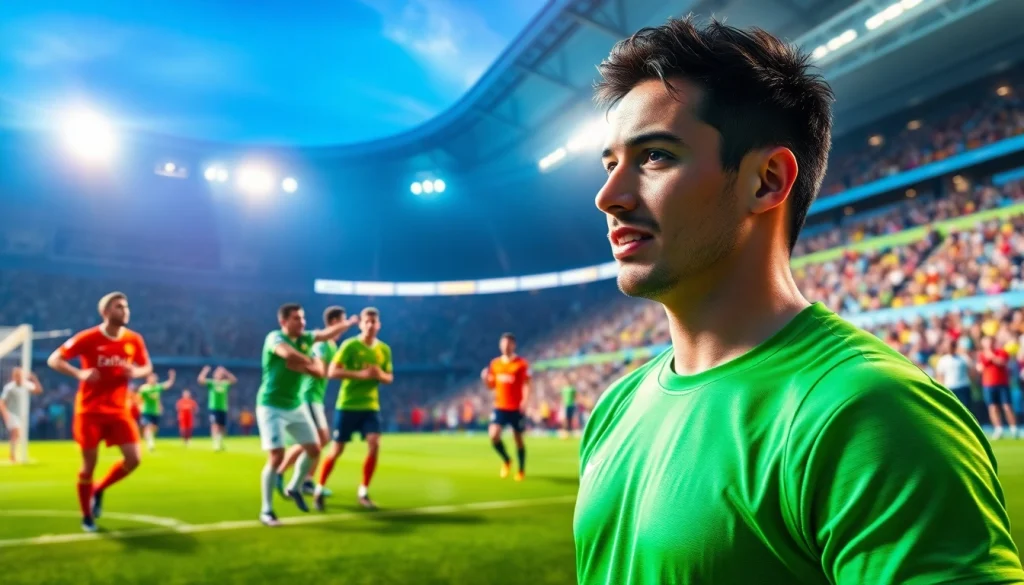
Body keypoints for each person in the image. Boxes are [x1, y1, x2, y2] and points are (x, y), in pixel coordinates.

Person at [573, 17, 1024, 584]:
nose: (607, 196)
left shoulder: (870, 412)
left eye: (656, 156)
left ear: (766, 180)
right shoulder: (616, 406)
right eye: (611, 163)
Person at [47, 292, 152, 533]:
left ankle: (99, 489)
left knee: (134, 459)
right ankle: (86, 516)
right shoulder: (89, 337)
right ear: (105, 312)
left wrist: (135, 373)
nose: (125, 311)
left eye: (126, 307)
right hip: (90, 411)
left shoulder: (134, 339)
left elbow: (147, 366)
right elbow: (55, 359)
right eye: (119, 307)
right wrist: (79, 374)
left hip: (119, 410)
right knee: (88, 466)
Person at [256, 302, 353, 527]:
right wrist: (309, 360)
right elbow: (286, 353)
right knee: (276, 456)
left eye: (303, 318)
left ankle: (294, 486)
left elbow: (322, 347)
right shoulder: (274, 338)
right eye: (296, 318)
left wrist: (347, 325)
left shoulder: (307, 338)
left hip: (296, 405)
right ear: (283, 322)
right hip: (271, 406)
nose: (302, 322)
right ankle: (267, 510)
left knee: (314, 448)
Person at [316, 307, 393, 512]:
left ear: (378, 325)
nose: (369, 325)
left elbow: (388, 377)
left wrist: (379, 375)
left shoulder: (384, 349)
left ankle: (363, 491)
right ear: (360, 324)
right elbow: (332, 371)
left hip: (370, 406)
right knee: (337, 449)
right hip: (347, 405)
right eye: (366, 322)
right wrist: (362, 374)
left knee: (374, 444)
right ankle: (319, 487)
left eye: (373, 322)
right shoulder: (350, 346)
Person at [279, 306, 356, 495]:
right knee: (318, 440)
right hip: (310, 396)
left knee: (317, 441)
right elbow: (321, 369)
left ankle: (304, 480)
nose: (345, 326)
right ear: (333, 323)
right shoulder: (322, 345)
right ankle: (282, 473)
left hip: (316, 398)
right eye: (342, 322)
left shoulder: (331, 346)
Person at [481, 333, 530, 481]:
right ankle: (507, 460)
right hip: (500, 406)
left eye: (508, 344)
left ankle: (521, 470)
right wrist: (485, 380)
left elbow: (527, 384)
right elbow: (491, 386)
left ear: (513, 345)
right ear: (500, 345)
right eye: (503, 344)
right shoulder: (495, 364)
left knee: (518, 439)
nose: (506, 346)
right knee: (493, 435)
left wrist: (525, 401)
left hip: (516, 407)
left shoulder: (521, 364)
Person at [978, 336, 1018, 439]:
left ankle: (1013, 428)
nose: (988, 345)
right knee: (992, 407)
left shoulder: (1001, 352)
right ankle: (998, 429)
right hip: (988, 384)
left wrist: (991, 356)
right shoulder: (982, 355)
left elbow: (1002, 362)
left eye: (990, 342)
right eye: (986, 343)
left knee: (1007, 406)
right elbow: (980, 368)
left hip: (1002, 383)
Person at [0, 368, 43, 463]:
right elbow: (2, 402)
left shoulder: (26, 385)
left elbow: (39, 390)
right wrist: (5, 414)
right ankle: (12, 456)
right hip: (11, 413)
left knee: (18, 435)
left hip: (22, 415)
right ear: (14, 376)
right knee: (15, 433)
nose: (19, 377)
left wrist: (34, 379)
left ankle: (14, 454)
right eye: (17, 375)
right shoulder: (9, 387)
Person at [198, 365, 237, 451]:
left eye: (220, 374)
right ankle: (215, 443)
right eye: (217, 373)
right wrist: (205, 370)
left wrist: (226, 372)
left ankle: (220, 442)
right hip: (214, 407)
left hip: (223, 408)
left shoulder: (225, 384)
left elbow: (234, 380)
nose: (218, 375)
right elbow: (200, 380)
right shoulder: (211, 383)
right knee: (215, 425)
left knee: (222, 427)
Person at [137, 370, 176, 452]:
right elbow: (139, 399)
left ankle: (149, 438)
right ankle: (150, 443)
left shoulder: (157, 387)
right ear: (148, 379)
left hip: (155, 411)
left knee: (154, 428)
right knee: (148, 426)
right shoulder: (144, 388)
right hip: (146, 411)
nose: (154, 379)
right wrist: (140, 406)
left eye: (155, 378)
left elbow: (167, 385)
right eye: (152, 378)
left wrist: (172, 377)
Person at [935, 338, 974, 413]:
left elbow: (970, 371)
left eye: (952, 346)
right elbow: (940, 375)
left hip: (963, 387)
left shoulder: (963, 358)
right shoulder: (943, 360)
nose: (950, 348)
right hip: (950, 388)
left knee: (966, 410)